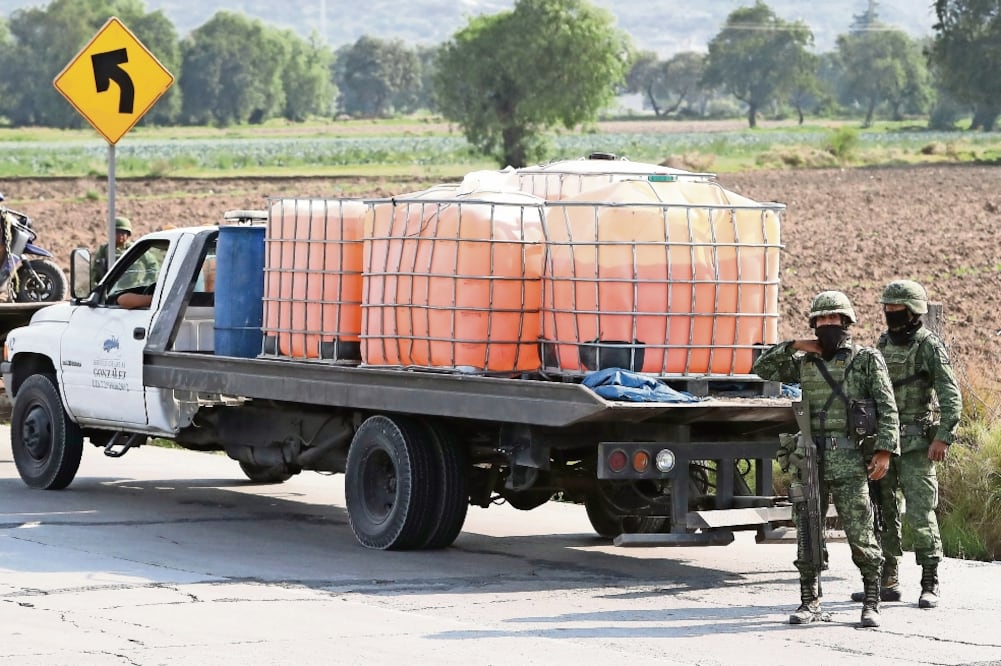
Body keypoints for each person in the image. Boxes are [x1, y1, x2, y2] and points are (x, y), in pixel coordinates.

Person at [753, 290, 900, 627]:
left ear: (846, 322)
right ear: (814, 324)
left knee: (861, 531)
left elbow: (888, 406)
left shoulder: (866, 359)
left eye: (834, 319)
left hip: (850, 457)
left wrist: (884, 450)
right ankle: (809, 601)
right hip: (810, 458)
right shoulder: (805, 362)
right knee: (807, 531)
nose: (828, 325)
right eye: (821, 320)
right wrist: (793, 345)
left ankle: (872, 602)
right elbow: (762, 368)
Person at [848, 280, 962, 609]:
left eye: (897, 310)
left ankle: (930, 581)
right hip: (883, 442)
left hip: (916, 446)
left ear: (914, 312)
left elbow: (951, 396)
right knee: (882, 513)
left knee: (920, 513)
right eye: (888, 309)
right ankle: (888, 579)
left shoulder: (928, 345)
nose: (891, 314)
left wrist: (943, 436)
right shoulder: (882, 344)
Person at [92, 216, 134, 283]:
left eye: (123, 232)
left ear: (128, 235)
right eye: (117, 232)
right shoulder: (103, 250)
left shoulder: (134, 249)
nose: (120, 235)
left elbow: (152, 265)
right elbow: (94, 273)